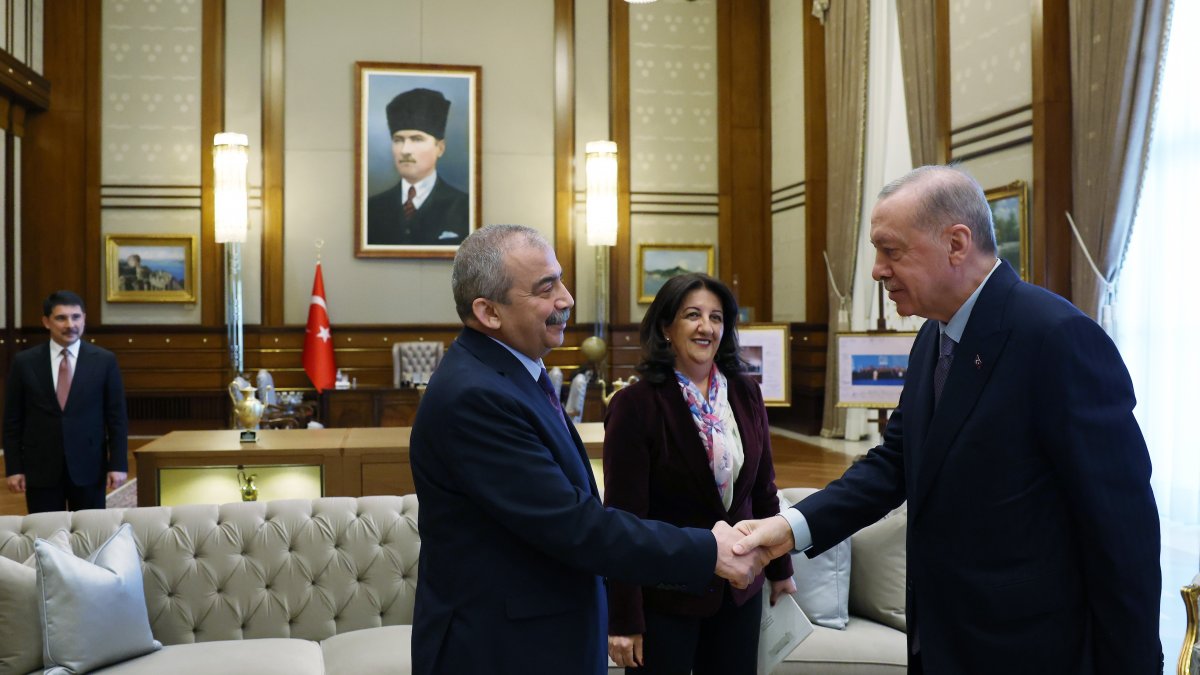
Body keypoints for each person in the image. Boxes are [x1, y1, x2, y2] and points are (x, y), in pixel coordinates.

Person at [733, 165, 1162, 674]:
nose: (876, 270)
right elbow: (895, 463)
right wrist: (789, 528)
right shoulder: (931, 340)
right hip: (942, 644)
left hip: (1030, 651)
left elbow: (1121, 531)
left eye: (891, 251)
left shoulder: (1056, 338)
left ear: (957, 243)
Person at [409, 225, 768, 675]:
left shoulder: (516, 375)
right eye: (546, 288)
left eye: (560, 279)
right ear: (488, 311)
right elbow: (573, 524)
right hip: (502, 649)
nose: (567, 298)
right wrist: (706, 550)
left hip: (544, 637)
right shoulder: (474, 397)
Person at [604, 272, 796, 674]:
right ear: (666, 327)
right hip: (667, 596)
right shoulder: (635, 404)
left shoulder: (746, 393)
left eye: (716, 317)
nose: (706, 327)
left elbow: (763, 490)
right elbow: (623, 521)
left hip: (739, 592)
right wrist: (624, 618)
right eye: (693, 315)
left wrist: (780, 571)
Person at [3, 290, 129, 513]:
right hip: (40, 469)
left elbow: (117, 417)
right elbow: (12, 419)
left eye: (76, 317)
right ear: (46, 322)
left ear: (84, 318)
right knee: (48, 536)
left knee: (91, 536)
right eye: (61, 318)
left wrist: (118, 464)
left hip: (89, 466)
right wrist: (14, 468)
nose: (70, 324)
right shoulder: (25, 362)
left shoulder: (104, 361)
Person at [366, 88, 469, 246]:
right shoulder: (372, 209)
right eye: (398, 140)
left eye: (417, 139)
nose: (405, 150)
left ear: (440, 148)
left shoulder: (464, 207)